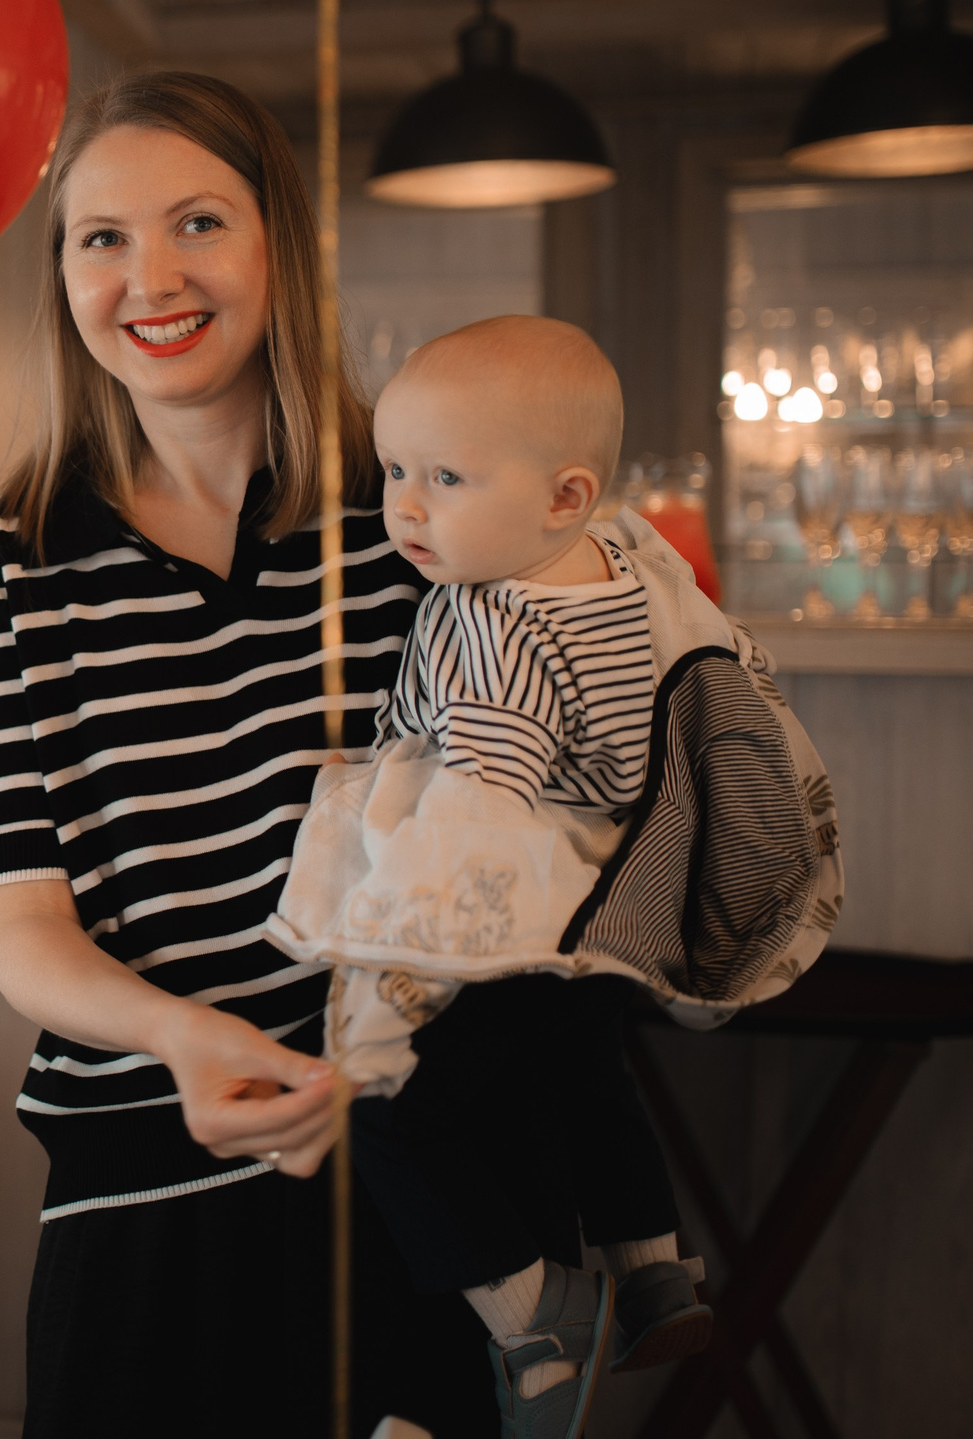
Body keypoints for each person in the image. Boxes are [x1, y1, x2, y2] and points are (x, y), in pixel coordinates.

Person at [0, 73, 580, 1438]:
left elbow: (526, 821)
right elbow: (20, 923)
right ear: (61, 268)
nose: (149, 276)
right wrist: (185, 1035)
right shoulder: (14, 554)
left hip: (396, 1190)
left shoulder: (410, 516)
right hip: (134, 1194)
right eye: (100, 236)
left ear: (275, 246)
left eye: (196, 222)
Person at [272, 318, 708, 1437]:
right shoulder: (627, 573)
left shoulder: (499, 619)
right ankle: (656, 1269)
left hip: (509, 929)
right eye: (395, 471)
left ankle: (534, 1312)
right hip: (605, 915)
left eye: (446, 477)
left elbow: (477, 812)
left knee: (388, 1111)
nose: (404, 507)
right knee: (585, 1074)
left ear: (564, 494)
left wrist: (388, 986)